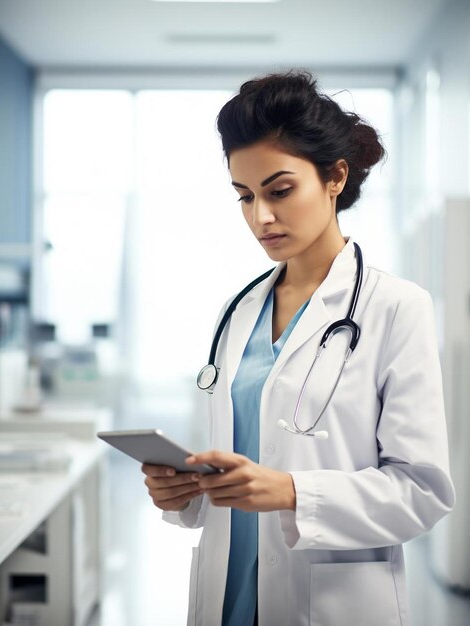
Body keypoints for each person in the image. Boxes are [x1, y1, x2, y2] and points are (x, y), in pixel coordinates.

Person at [141, 70, 455, 626]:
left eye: (280, 190)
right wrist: (182, 492)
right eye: (245, 197)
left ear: (335, 178)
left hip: (333, 603)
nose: (261, 217)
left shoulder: (396, 307)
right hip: (227, 597)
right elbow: (224, 464)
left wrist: (291, 492)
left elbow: (421, 492)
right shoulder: (236, 314)